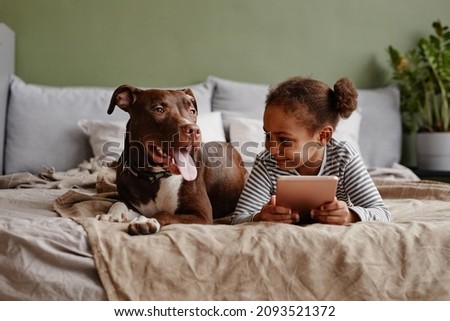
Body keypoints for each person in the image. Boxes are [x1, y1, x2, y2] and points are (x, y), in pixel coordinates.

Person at [231, 76, 391, 225]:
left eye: (284, 140)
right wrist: (260, 217)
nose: (271, 148)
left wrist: (350, 215)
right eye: (267, 135)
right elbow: (237, 218)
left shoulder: (344, 158)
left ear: (323, 136)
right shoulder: (266, 163)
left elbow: (382, 213)